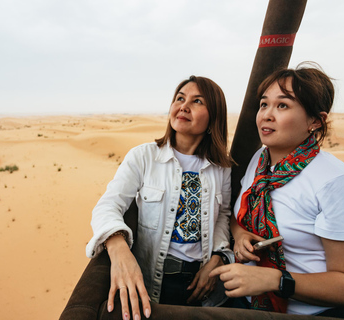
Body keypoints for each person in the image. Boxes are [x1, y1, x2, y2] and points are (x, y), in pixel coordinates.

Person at [210, 63, 344, 318]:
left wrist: (276, 280)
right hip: (252, 307)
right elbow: (238, 216)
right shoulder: (261, 161)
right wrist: (241, 236)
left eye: (282, 105)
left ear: (315, 121)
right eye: (264, 104)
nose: (266, 114)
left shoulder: (337, 183)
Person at [86, 75, 234, 320]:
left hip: (202, 283)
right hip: (156, 280)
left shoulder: (221, 167)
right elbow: (108, 205)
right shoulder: (143, 157)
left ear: (213, 119)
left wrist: (218, 257)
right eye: (180, 98)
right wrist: (117, 245)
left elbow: (223, 216)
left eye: (197, 101)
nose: (184, 106)